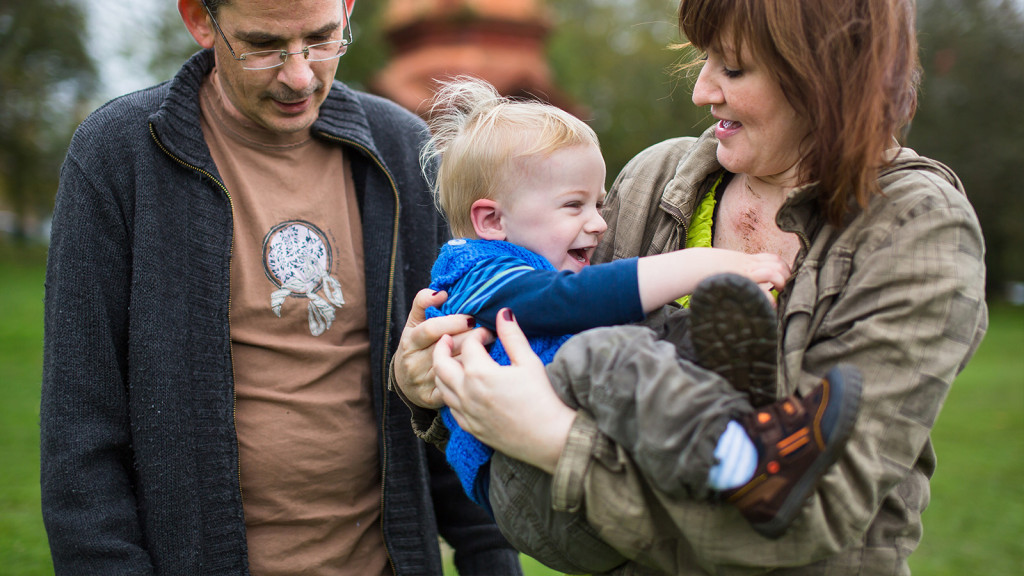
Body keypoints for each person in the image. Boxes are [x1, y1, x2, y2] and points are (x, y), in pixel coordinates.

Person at [393, 0, 989, 574]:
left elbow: (816, 517)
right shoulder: (657, 177)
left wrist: (557, 442)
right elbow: (547, 339)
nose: (702, 90)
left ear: (822, 74)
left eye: (733, 67)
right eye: (704, 60)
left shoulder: (915, 224)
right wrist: (431, 381)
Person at [39, 1, 522, 574]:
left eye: (321, 39)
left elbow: (456, 379)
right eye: (265, 46)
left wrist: (491, 555)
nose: (299, 74)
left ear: (347, 9)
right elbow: (79, 431)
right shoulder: (119, 154)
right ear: (199, 20)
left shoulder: (402, 150)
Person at [417, 76, 861, 541]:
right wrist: (698, 264)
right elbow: (575, 299)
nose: (598, 224)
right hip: (523, 484)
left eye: (599, 203)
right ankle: (742, 463)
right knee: (604, 352)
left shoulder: (518, 258)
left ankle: (737, 398)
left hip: (576, 455)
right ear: (491, 219)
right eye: (573, 206)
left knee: (653, 328)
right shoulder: (471, 273)